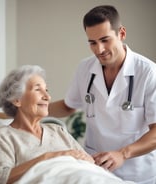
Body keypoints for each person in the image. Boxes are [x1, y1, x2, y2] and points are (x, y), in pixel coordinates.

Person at [48, 5, 156, 184]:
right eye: (92, 42)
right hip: (95, 169)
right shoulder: (85, 68)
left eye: (105, 40)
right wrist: (25, 110)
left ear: (121, 33)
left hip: (138, 173)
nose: (99, 49)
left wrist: (123, 153)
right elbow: (68, 106)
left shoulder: (148, 72)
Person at [0, 65, 94, 184]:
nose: (48, 97)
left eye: (46, 90)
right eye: (38, 90)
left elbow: (89, 162)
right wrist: (48, 157)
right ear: (17, 100)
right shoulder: (3, 136)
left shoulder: (58, 130)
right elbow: (1, 178)